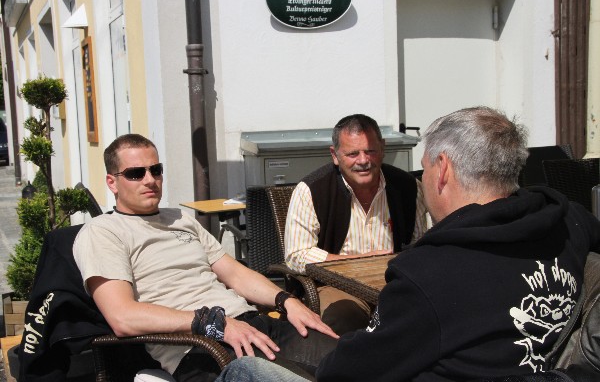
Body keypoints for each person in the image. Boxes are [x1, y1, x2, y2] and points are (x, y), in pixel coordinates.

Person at [313, 106, 600, 381]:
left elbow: (345, 372)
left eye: (424, 169)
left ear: (443, 168)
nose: (424, 179)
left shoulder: (428, 274)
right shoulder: (569, 220)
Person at [72, 134, 338, 382]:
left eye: (156, 170)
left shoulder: (179, 219)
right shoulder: (103, 232)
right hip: (200, 348)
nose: (150, 180)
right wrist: (210, 323)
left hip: (251, 323)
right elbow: (123, 317)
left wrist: (286, 300)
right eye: (135, 173)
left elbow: (235, 274)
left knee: (349, 359)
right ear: (112, 182)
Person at [285, 114, 428, 334]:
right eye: (352, 154)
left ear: (383, 148)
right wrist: (358, 261)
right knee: (343, 317)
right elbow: (296, 256)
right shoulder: (311, 190)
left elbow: (420, 245)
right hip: (337, 287)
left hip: (394, 283)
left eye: (370, 151)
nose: (363, 160)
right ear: (335, 155)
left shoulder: (408, 187)